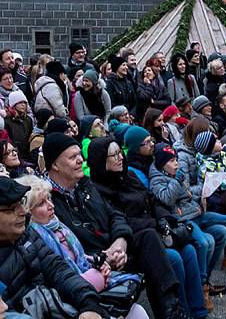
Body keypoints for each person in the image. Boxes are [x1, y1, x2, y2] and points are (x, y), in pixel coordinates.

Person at [44, 132, 183, 319]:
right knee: (169, 254)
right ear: (54, 165)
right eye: (72, 157)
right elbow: (67, 244)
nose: (80, 160)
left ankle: (171, 312)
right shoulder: (46, 200)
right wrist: (104, 257)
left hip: (115, 249)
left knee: (150, 237)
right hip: (91, 263)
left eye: (79, 154)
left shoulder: (85, 185)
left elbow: (115, 215)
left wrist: (120, 243)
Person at [88, 134, 208, 318]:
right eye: (114, 155)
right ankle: (176, 311)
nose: (121, 157)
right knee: (174, 257)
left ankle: (198, 311)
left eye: (120, 152)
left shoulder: (128, 175)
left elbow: (152, 200)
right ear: (101, 160)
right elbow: (120, 220)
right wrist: (155, 225)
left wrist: (162, 220)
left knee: (190, 250)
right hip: (135, 241)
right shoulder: (99, 189)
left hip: (155, 230)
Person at [19, 174, 149, 319]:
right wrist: (98, 276)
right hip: (71, 302)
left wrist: (99, 263)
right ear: (27, 212)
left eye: (49, 198)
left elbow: (80, 257)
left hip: (88, 285)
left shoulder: (58, 225)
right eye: (41, 203)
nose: (51, 205)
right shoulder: (35, 239)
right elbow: (59, 279)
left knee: (138, 311)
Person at [0, 177, 106, 319]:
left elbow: (58, 270)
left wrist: (88, 303)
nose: (22, 211)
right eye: (11, 208)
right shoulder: (35, 230)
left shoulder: (26, 234)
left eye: (21, 202)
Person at [149, 142, 226, 284]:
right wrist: (176, 181)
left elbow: (187, 193)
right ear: (162, 164)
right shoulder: (157, 180)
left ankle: (218, 267)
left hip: (195, 211)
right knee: (205, 242)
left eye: (176, 160)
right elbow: (167, 199)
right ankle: (202, 283)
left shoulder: (173, 174)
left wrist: (201, 196)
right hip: (183, 218)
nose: (176, 164)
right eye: (172, 161)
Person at [4, 92, 33, 161]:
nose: (23, 105)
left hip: (27, 155)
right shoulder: (7, 121)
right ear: (14, 105)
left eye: (25, 103)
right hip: (15, 155)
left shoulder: (28, 119)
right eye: (20, 103)